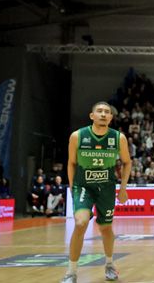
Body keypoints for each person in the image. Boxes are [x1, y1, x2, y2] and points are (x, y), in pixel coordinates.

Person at [61, 102, 131, 283]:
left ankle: (109, 265)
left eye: (107, 112)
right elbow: (71, 163)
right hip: (83, 186)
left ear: (111, 118)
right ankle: (71, 272)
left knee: (106, 228)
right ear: (92, 116)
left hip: (107, 188)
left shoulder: (118, 138)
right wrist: (72, 187)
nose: (103, 114)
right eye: (99, 111)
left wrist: (123, 188)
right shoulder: (77, 136)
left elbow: (127, 162)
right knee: (81, 222)